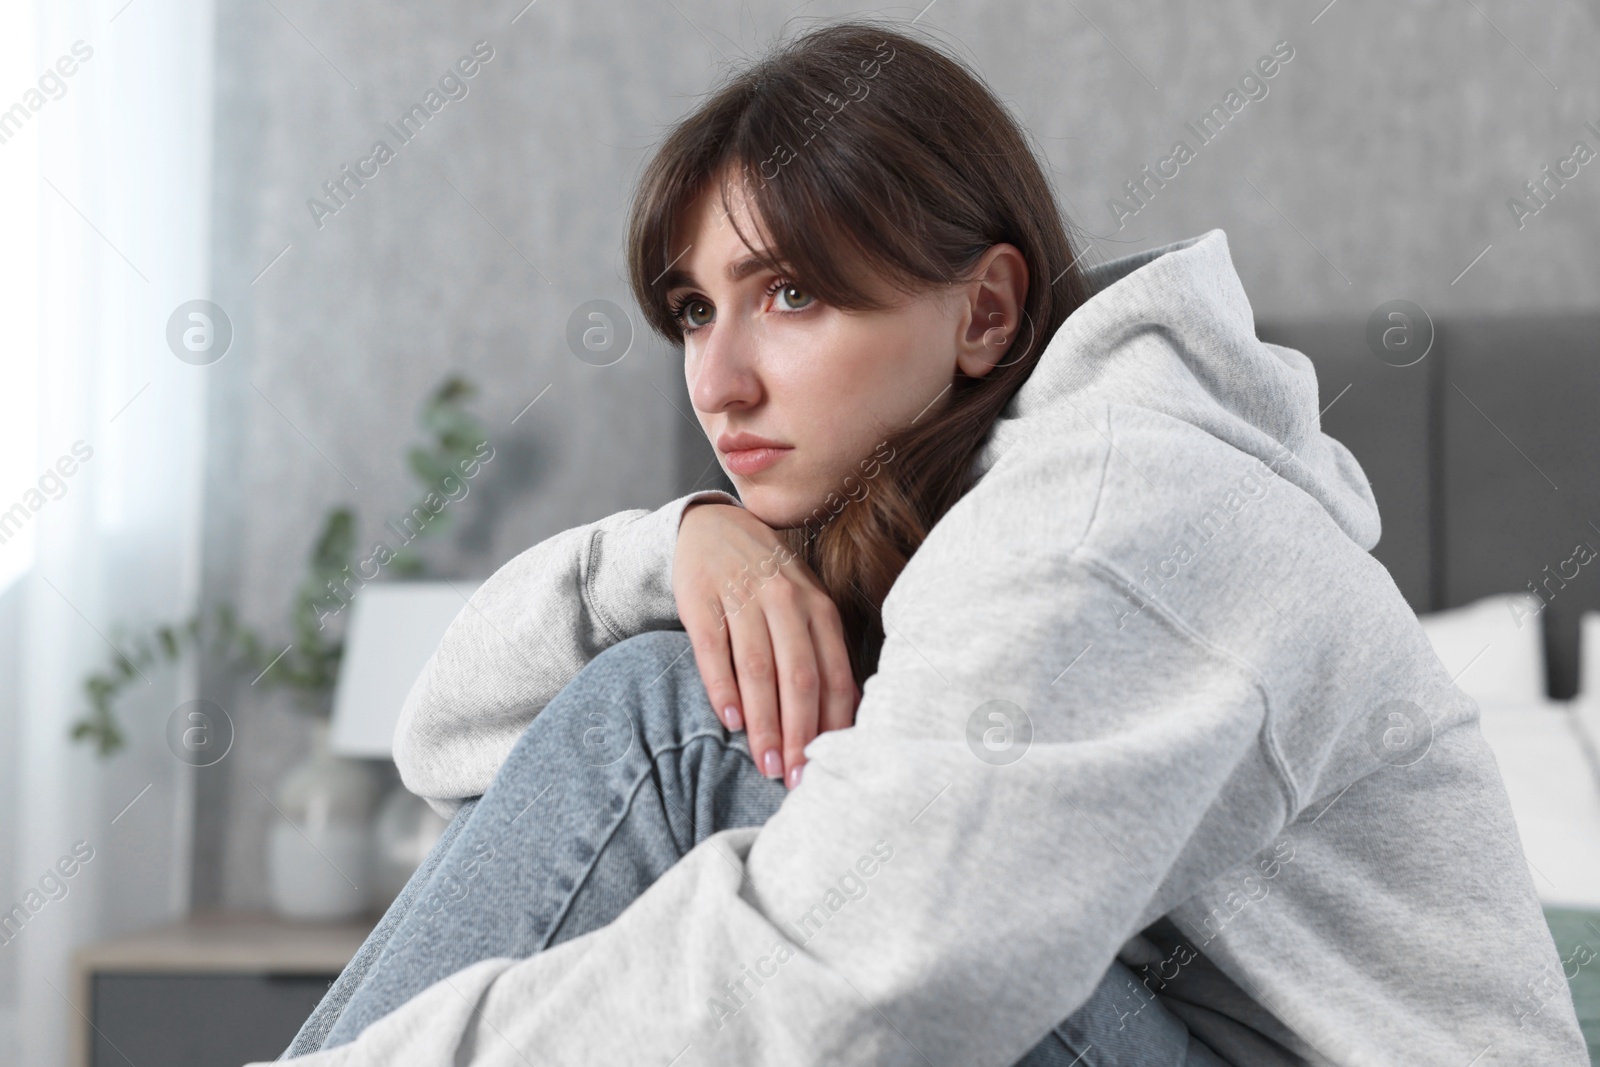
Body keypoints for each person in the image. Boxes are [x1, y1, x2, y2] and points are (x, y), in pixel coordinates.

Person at [266, 19, 1588, 1067]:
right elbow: (459, 759)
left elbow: (867, 989)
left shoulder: (1115, 517)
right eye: (690, 309)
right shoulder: (934, 534)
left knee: (676, 721)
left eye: (789, 293)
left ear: (984, 312)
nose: (718, 381)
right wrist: (672, 554)